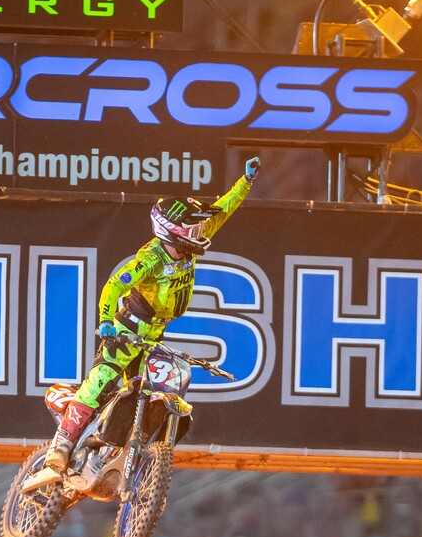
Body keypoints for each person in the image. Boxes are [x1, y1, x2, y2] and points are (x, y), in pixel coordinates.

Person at [40, 159, 262, 474]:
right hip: (126, 331)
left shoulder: (185, 248)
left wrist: (245, 182)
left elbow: (222, 210)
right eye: (192, 227)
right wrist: (105, 321)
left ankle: (119, 453)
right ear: (172, 230)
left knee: (149, 389)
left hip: (154, 337)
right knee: (99, 383)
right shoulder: (150, 260)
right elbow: (116, 284)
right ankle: (60, 448)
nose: (199, 232)